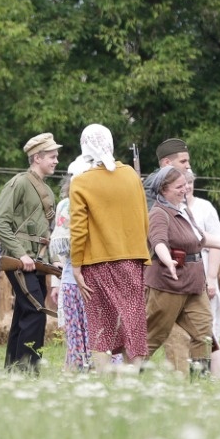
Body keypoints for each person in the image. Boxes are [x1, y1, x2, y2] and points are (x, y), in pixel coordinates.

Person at [145, 166, 220, 378]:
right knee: (153, 336)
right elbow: (158, 242)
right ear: (164, 189)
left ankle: (200, 383)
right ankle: (128, 376)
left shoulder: (183, 210)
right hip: (168, 285)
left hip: (194, 284)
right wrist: (167, 260)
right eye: (179, 186)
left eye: (186, 185)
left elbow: (199, 237)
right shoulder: (159, 213)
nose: (185, 189)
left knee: (204, 335)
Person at [69, 124, 151, 372]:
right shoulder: (131, 176)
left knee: (101, 325)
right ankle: (131, 379)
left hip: (97, 263)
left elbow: (78, 230)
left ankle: (105, 381)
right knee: (133, 323)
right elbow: (144, 218)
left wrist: (76, 265)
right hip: (132, 260)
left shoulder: (81, 182)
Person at [0, 133, 61, 373]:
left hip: (38, 262)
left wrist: (54, 260)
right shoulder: (19, 183)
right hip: (21, 262)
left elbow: (46, 232)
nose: (56, 161)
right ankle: (27, 371)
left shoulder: (47, 190)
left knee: (24, 312)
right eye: (52, 156)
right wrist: (21, 254)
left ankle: (13, 371)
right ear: (37, 157)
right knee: (36, 312)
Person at [49, 174, 92, 371]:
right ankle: (78, 368)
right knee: (77, 332)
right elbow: (61, 252)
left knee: (88, 331)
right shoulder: (66, 206)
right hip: (73, 278)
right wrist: (55, 283)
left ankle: (84, 368)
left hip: (83, 278)